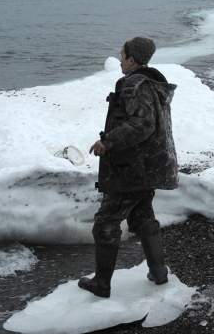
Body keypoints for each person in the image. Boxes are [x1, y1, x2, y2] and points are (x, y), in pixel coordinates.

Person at [79, 37, 178, 298]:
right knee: (142, 216)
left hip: (131, 168)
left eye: (122, 56)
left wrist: (108, 142)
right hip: (147, 165)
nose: (120, 60)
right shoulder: (151, 82)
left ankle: (101, 284)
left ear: (132, 59)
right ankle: (159, 273)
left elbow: (142, 125)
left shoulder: (135, 85)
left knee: (106, 223)